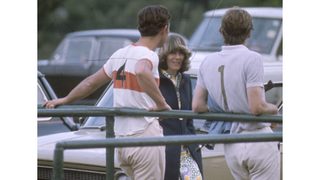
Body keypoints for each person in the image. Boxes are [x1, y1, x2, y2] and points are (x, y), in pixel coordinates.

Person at [43, 5, 172, 180]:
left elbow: (90, 82)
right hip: (144, 136)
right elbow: (141, 70)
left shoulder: (120, 53)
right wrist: (162, 104)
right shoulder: (149, 55)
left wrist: (65, 99)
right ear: (165, 29)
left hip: (120, 141)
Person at [192, 7, 280, 180]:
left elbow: (197, 105)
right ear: (249, 33)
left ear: (221, 32)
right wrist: (274, 110)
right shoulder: (252, 58)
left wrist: (227, 106)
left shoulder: (207, 62)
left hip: (232, 143)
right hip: (257, 138)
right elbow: (256, 107)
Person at [158, 34, 203, 180]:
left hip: (188, 151)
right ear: (164, 55)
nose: (177, 57)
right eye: (173, 53)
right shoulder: (155, 80)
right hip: (164, 151)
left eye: (181, 53)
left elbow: (189, 120)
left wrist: (194, 144)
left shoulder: (186, 80)